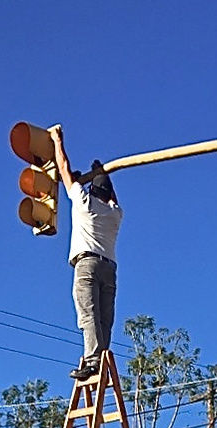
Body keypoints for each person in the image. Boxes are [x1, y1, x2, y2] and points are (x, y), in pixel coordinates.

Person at [50, 125, 123, 382]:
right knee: (104, 318)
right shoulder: (115, 215)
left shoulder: (83, 202)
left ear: (93, 190)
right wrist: (103, 173)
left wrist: (58, 141)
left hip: (88, 263)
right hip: (109, 267)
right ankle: (102, 358)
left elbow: (64, 169)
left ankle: (93, 361)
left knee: (88, 313)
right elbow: (113, 198)